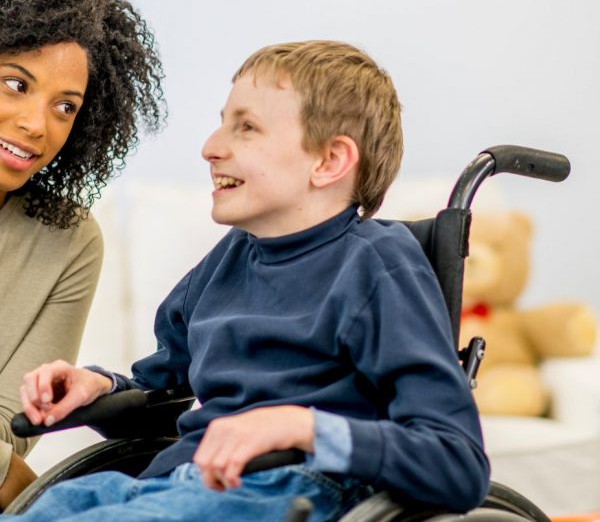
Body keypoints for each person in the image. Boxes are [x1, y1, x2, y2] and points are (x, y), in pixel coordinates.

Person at [13, 41, 489, 522]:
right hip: (177, 480)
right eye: (223, 122)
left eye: (246, 128)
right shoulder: (229, 259)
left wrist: (300, 427)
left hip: (291, 486)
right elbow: (161, 390)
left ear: (329, 161)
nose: (211, 148)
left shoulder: (377, 266)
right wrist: (98, 385)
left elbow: (456, 461)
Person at [0, 0, 165, 509]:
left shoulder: (68, 241)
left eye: (65, 107)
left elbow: (10, 430)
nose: (36, 125)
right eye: (15, 84)